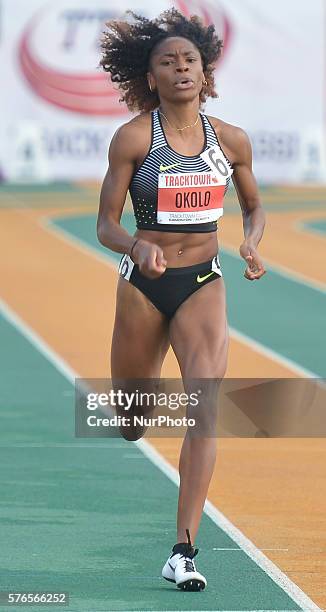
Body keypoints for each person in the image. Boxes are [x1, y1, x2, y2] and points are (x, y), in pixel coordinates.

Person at [97, 8, 266, 592]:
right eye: (167, 62)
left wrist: (249, 242)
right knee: (132, 421)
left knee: (205, 405)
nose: (180, 69)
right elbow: (104, 224)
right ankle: (132, 415)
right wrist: (137, 246)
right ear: (150, 77)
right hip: (143, 288)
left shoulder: (232, 140)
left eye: (188, 60)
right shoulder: (135, 138)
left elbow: (254, 205)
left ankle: (183, 549)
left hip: (203, 282)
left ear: (204, 69)